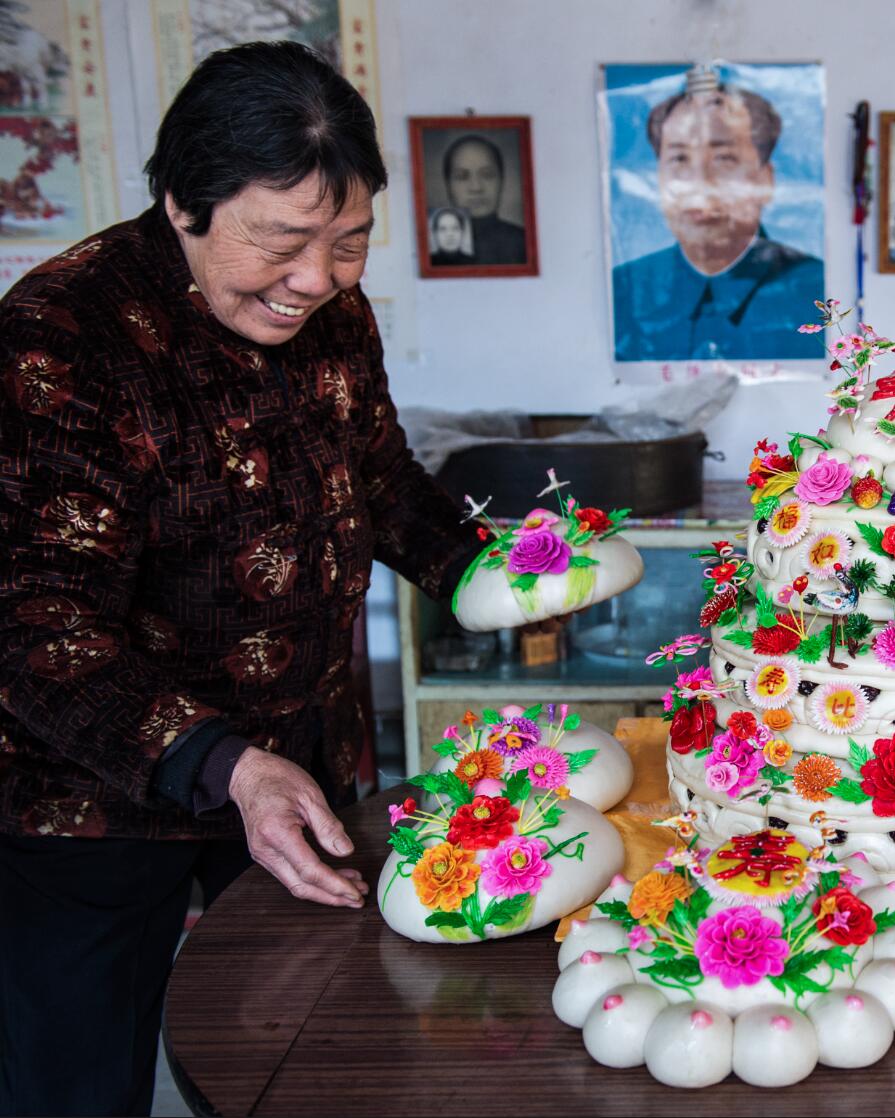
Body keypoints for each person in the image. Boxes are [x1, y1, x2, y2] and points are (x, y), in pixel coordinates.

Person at [0, 42, 481, 1115]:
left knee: (312, 1056)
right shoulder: (59, 336)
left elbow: (379, 478)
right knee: (78, 1080)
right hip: (94, 798)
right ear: (183, 202)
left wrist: (493, 571)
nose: (317, 279)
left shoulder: (330, 314)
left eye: (348, 241)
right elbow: (33, 625)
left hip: (297, 761)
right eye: (281, 241)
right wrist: (221, 765)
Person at [610, 79, 823, 362]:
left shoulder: (814, 290)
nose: (699, 183)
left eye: (724, 159)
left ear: (766, 179)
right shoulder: (623, 290)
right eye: (679, 159)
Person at [441, 132, 528, 266]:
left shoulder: (524, 242)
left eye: (487, 175)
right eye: (462, 177)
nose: (476, 188)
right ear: (447, 185)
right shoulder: (432, 250)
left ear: (502, 180)